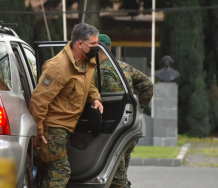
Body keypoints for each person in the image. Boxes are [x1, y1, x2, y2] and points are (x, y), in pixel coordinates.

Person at [29, 23, 104, 188]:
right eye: (93, 44)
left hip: (67, 127)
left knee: (56, 171)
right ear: (80, 44)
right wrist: (38, 131)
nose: (97, 47)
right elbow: (39, 100)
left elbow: (87, 83)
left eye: (97, 43)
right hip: (53, 128)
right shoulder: (58, 67)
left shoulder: (86, 61)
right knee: (60, 171)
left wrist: (95, 98)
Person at [97, 34, 153, 188]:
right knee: (119, 170)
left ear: (98, 49)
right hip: (128, 126)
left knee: (116, 178)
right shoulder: (123, 66)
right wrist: (137, 109)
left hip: (113, 130)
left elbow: (113, 102)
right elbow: (148, 85)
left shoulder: (100, 70)